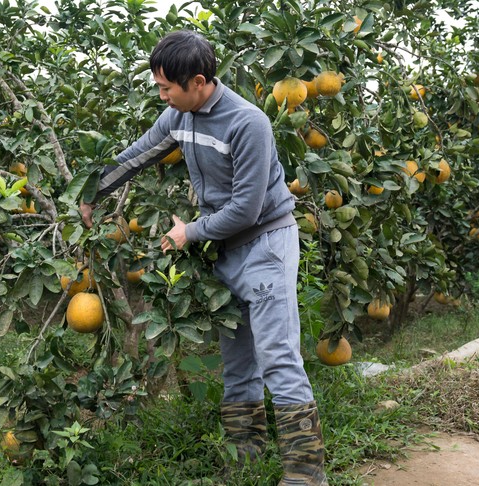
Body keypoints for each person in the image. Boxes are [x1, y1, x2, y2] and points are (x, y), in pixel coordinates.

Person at [79, 30, 327, 485]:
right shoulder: (180, 115)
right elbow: (139, 154)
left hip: (266, 245)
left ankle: (306, 476)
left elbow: (247, 207)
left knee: (277, 356)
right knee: (238, 363)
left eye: (166, 87)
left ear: (197, 81)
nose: (162, 95)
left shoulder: (247, 123)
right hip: (226, 250)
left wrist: (188, 232)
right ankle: (246, 462)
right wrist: (94, 191)